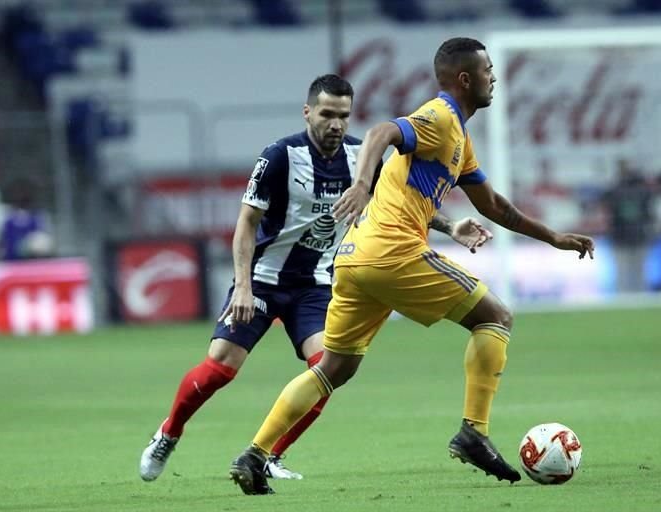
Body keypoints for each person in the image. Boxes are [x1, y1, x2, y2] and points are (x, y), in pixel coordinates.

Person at [229, 38, 595, 495]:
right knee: (497, 318)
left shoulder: (460, 141)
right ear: (465, 78)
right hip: (393, 252)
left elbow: (495, 206)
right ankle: (473, 432)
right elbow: (383, 131)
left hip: (354, 258)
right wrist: (362, 182)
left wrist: (554, 237)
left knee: (333, 370)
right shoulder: (440, 117)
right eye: (487, 71)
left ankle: (255, 454)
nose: (494, 77)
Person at [139, 74, 493, 484]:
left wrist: (451, 228)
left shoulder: (361, 157)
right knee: (221, 365)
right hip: (264, 279)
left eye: (343, 115)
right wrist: (242, 286)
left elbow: (401, 202)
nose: (336, 124)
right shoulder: (279, 156)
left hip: (317, 285)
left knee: (326, 369)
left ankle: (269, 456)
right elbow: (245, 224)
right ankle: (169, 434)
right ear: (308, 112)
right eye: (327, 114)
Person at [602, 159, 654, 293]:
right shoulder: (641, 191)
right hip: (625, 236)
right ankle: (628, 298)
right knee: (625, 272)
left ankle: (636, 297)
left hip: (632, 235)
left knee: (635, 272)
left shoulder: (615, 191)